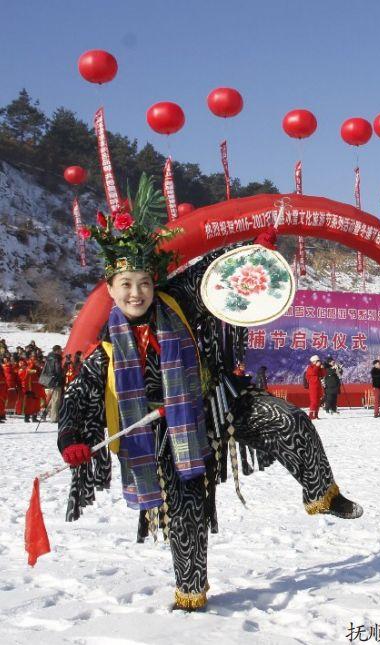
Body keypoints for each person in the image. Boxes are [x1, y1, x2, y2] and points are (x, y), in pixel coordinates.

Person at [57, 174, 361, 612]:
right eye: (126, 285)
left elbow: (216, 274)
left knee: (288, 420)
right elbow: (76, 402)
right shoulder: (105, 351)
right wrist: (71, 441)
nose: (136, 293)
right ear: (111, 290)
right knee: (186, 512)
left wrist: (255, 251)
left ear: (153, 283)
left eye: (143, 283)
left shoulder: (177, 300)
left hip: (214, 401)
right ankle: (190, 594)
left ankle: (323, 493)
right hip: (164, 435)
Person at [40, 344, 64, 422]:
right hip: (55, 381)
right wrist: (62, 374)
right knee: (56, 400)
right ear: (57, 350)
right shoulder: (56, 358)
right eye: (60, 350)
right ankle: (54, 418)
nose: (61, 351)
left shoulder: (49, 358)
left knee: (52, 399)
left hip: (48, 381)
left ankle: (45, 412)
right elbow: (58, 370)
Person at [305, 355, 325, 420]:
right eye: (317, 361)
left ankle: (316, 415)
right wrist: (317, 366)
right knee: (314, 401)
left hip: (318, 385)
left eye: (319, 361)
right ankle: (311, 415)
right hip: (313, 386)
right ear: (314, 361)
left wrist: (322, 369)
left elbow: (323, 375)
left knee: (318, 401)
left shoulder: (318, 367)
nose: (319, 362)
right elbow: (314, 372)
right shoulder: (310, 367)